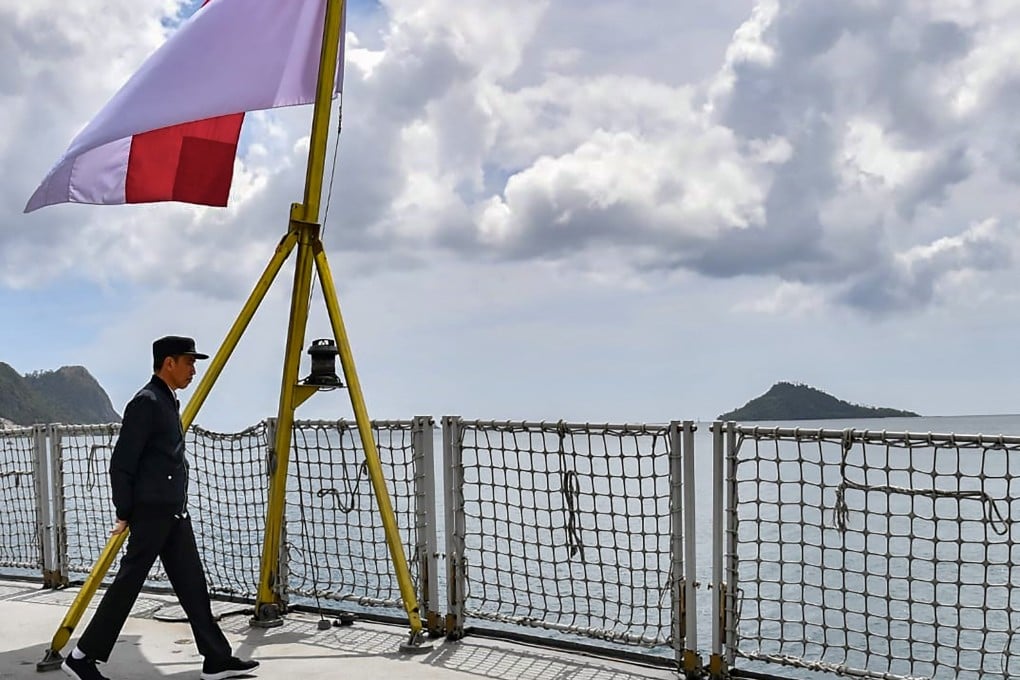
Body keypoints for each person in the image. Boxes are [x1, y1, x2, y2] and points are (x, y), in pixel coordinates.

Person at [63, 336, 259, 680]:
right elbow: (122, 463)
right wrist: (125, 511)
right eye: (188, 362)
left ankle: (216, 659)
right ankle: (81, 657)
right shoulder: (147, 402)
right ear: (169, 363)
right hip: (152, 513)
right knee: (128, 584)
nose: (193, 370)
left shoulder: (166, 401)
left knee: (193, 585)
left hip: (172, 512)